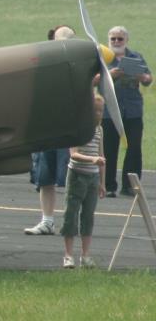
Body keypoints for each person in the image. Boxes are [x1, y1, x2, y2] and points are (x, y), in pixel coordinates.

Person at [24, 25, 74, 235]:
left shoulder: (76, 64)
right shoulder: (42, 62)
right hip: (46, 128)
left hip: (68, 129)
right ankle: (47, 221)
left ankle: (73, 221)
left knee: (72, 177)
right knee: (44, 178)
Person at [101, 26, 151, 198]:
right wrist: (110, 75)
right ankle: (108, 186)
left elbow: (148, 79)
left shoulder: (136, 57)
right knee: (109, 148)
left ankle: (130, 186)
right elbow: (92, 80)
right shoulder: (102, 58)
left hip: (132, 109)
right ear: (108, 40)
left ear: (126, 40)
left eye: (120, 39)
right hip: (109, 110)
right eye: (113, 39)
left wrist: (142, 77)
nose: (116, 42)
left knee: (134, 148)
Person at [61, 94, 106, 269]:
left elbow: (102, 156)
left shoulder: (100, 130)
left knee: (88, 216)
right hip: (77, 176)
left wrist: (102, 182)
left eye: (101, 110)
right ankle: (68, 255)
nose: (98, 114)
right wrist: (92, 160)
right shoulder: (79, 129)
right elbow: (74, 154)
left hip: (93, 178)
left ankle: (85, 255)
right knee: (71, 214)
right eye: (95, 110)